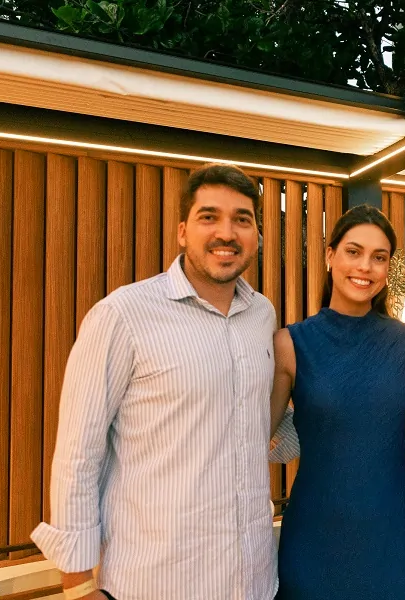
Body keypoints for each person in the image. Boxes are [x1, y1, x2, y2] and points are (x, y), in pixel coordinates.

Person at [31, 164, 282, 600]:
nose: (227, 232)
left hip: (252, 580)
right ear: (183, 231)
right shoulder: (122, 315)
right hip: (154, 581)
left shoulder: (262, 315)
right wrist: (76, 585)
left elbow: (260, 424)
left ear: (257, 235)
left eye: (242, 219)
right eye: (210, 217)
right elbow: (78, 454)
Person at [268, 205, 405, 600]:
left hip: (396, 538)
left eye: (379, 257)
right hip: (314, 538)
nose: (365, 266)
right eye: (353, 252)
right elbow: (252, 438)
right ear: (330, 256)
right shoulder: (290, 344)